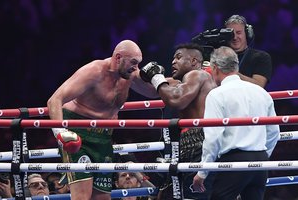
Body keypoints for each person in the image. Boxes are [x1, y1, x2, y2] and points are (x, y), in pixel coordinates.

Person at [47, 39, 159, 200]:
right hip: (79, 136)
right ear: (118, 57)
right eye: (133, 62)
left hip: (104, 138)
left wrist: (157, 77)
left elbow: (154, 93)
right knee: (82, 196)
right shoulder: (94, 71)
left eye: (138, 63)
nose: (136, 68)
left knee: (102, 198)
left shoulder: (130, 74)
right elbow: (55, 100)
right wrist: (59, 133)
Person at [192, 46, 280, 200]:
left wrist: (202, 172)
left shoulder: (217, 95)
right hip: (260, 161)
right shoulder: (261, 92)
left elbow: (213, 138)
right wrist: (262, 157)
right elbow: (274, 132)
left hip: (235, 161)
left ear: (215, 68)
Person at [140, 43, 216, 199]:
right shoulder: (185, 82)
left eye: (179, 57)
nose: (173, 61)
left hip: (198, 142)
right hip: (193, 143)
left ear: (194, 61)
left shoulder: (197, 74)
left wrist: (156, 77)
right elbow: (153, 89)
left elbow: (176, 99)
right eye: (173, 57)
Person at [224, 14, 272, 88]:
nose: (235, 37)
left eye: (238, 33)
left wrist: (232, 74)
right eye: (230, 34)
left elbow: (259, 86)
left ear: (247, 34)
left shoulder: (261, 57)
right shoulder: (220, 57)